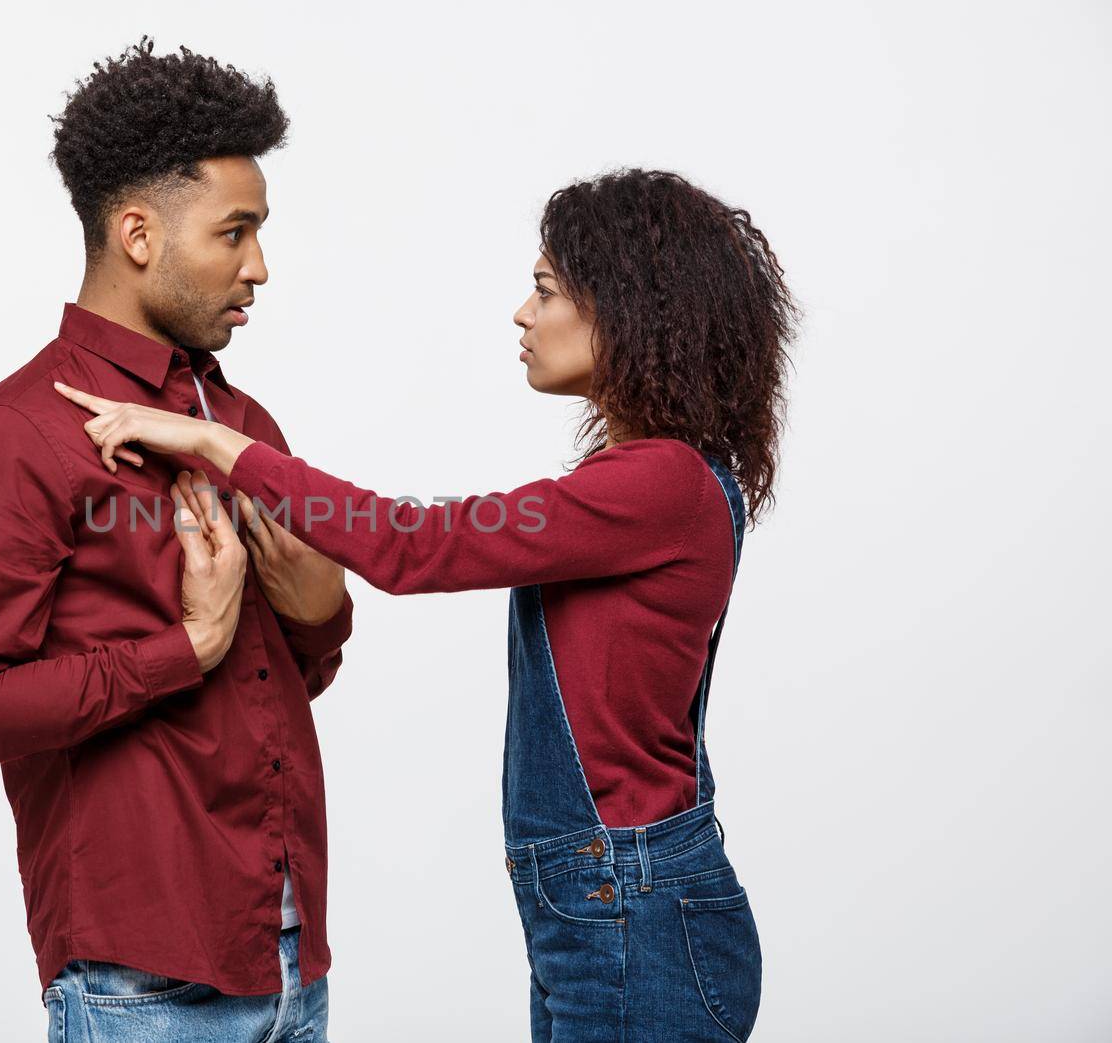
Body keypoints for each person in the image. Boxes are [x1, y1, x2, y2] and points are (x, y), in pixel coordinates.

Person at [54, 167, 798, 1042]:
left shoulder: (658, 484)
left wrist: (216, 441)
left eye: (546, 290)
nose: (523, 314)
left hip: (631, 907)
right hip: (611, 902)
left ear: (631, 311)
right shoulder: (659, 481)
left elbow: (414, 544)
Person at [0, 39, 350, 1042]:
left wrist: (320, 608)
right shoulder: (13, 438)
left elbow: (285, 678)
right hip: (139, 984)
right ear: (138, 234)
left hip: (291, 956)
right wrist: (181, 649)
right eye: (234, 231)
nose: (259, 266)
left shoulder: (243, 423)